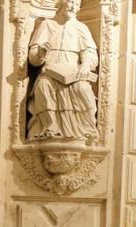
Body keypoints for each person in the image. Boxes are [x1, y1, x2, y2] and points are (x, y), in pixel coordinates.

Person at [27, 0, 98, 141]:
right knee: (43, 87)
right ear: (60, 4)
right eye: (71, 2)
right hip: (50, 71)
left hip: (74, 73)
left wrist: (85, 64)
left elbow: (90, 53)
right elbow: (33, 59)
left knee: (83, 89)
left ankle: (87, 129)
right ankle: (50, 127)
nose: (74, 6)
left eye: (77, 4)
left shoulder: (81, 28)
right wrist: (40, 53)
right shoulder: (46, 24)